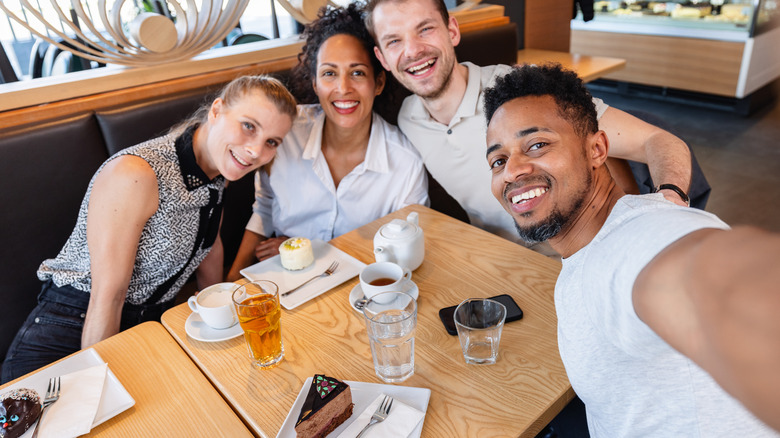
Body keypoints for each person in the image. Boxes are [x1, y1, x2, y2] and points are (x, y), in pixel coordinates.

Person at [483, 63, 780, 435]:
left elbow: (717, 280)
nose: (512, 171)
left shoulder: (639, 239)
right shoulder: (584, 252)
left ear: (597, 149)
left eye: (538, 144)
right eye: (499, 160)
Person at [1, 75, 297, 383]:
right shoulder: (137, 173)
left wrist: (221, 317)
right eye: (249, 126)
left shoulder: (218, 167)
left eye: (271, 142)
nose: (255, 151)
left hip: (146, 325)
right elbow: (108, 296)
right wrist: (99, 383)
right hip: (72, 327)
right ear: (217, 111)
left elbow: (209, 245)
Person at [364, 0, 692, 255]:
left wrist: (670, 200)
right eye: (394, 41)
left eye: (425, 30)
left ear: (452, 30)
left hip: (584, 255)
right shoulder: (407, 119)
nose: (413, 51)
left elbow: (657, 139)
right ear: (382, 57)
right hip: (503, 263)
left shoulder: (522, 94)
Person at [227, 4, 428, 280]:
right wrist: (229, 283)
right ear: (314, 83)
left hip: (364, 284)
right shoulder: (283, 134)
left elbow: (406, 251)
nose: (343, 88)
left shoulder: (405, 163)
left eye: (357, 72)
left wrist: (304, 251)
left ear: (378, 82)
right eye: (329, 73)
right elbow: (264, 207)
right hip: (282, 278)